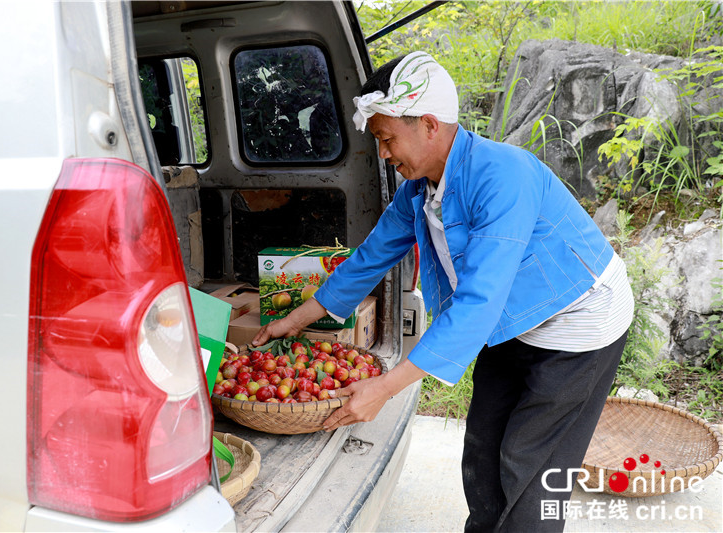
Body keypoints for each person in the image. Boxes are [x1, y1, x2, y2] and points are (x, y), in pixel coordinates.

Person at [252, 51, 634, 532]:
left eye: (388, 139)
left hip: (578, 325)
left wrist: (384, 389)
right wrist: (294, 319)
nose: (385, 154)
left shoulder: (503, 177)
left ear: (429, 124)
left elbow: (478, 300)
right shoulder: (419, 190)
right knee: (483, 444)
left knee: (531, 466)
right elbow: (369, 259)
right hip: (511, 319)